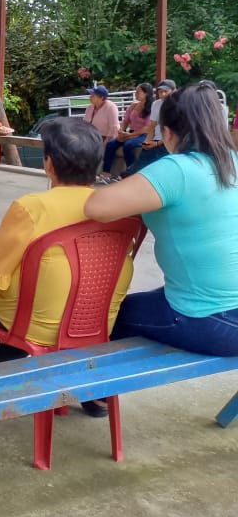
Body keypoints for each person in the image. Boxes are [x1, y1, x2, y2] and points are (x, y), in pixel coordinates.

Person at [0, 118, 134, 413]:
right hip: (95, 323)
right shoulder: (115, 208)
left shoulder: (32, 206)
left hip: (37, 327)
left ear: (48, 164)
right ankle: (92, 394)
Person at [85, 81, 238, 356]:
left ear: (167, 133)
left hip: (213, 320)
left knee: (108, 317)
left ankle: (95, 383)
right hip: (225, 312)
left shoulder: (177, 168)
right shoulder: (232, 160)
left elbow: (96, 206)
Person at [120, 79, 176, 177]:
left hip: (169, 143)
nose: (163, 94)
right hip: (154, 140)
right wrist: (147, 142)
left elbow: (175, 132)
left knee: (155, 165)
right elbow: (152, 126)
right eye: (160, 91)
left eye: (165, 91)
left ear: (173, 91)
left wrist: (157, 143)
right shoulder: (156, 104)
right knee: (135, 168)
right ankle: (128, 177)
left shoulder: (178, 106)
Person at [100, 82, 154, 183]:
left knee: (128, 146)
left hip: (143, 134)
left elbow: (147, 128)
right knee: (111, 144)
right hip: (130, 132)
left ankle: (132, 173)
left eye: (138, 92)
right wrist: (121, 131)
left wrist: (131, 135)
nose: (136, 94)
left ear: (146, 93)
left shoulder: (151, 108)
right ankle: (106, 173)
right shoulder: (133, 105)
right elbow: (125, 121)